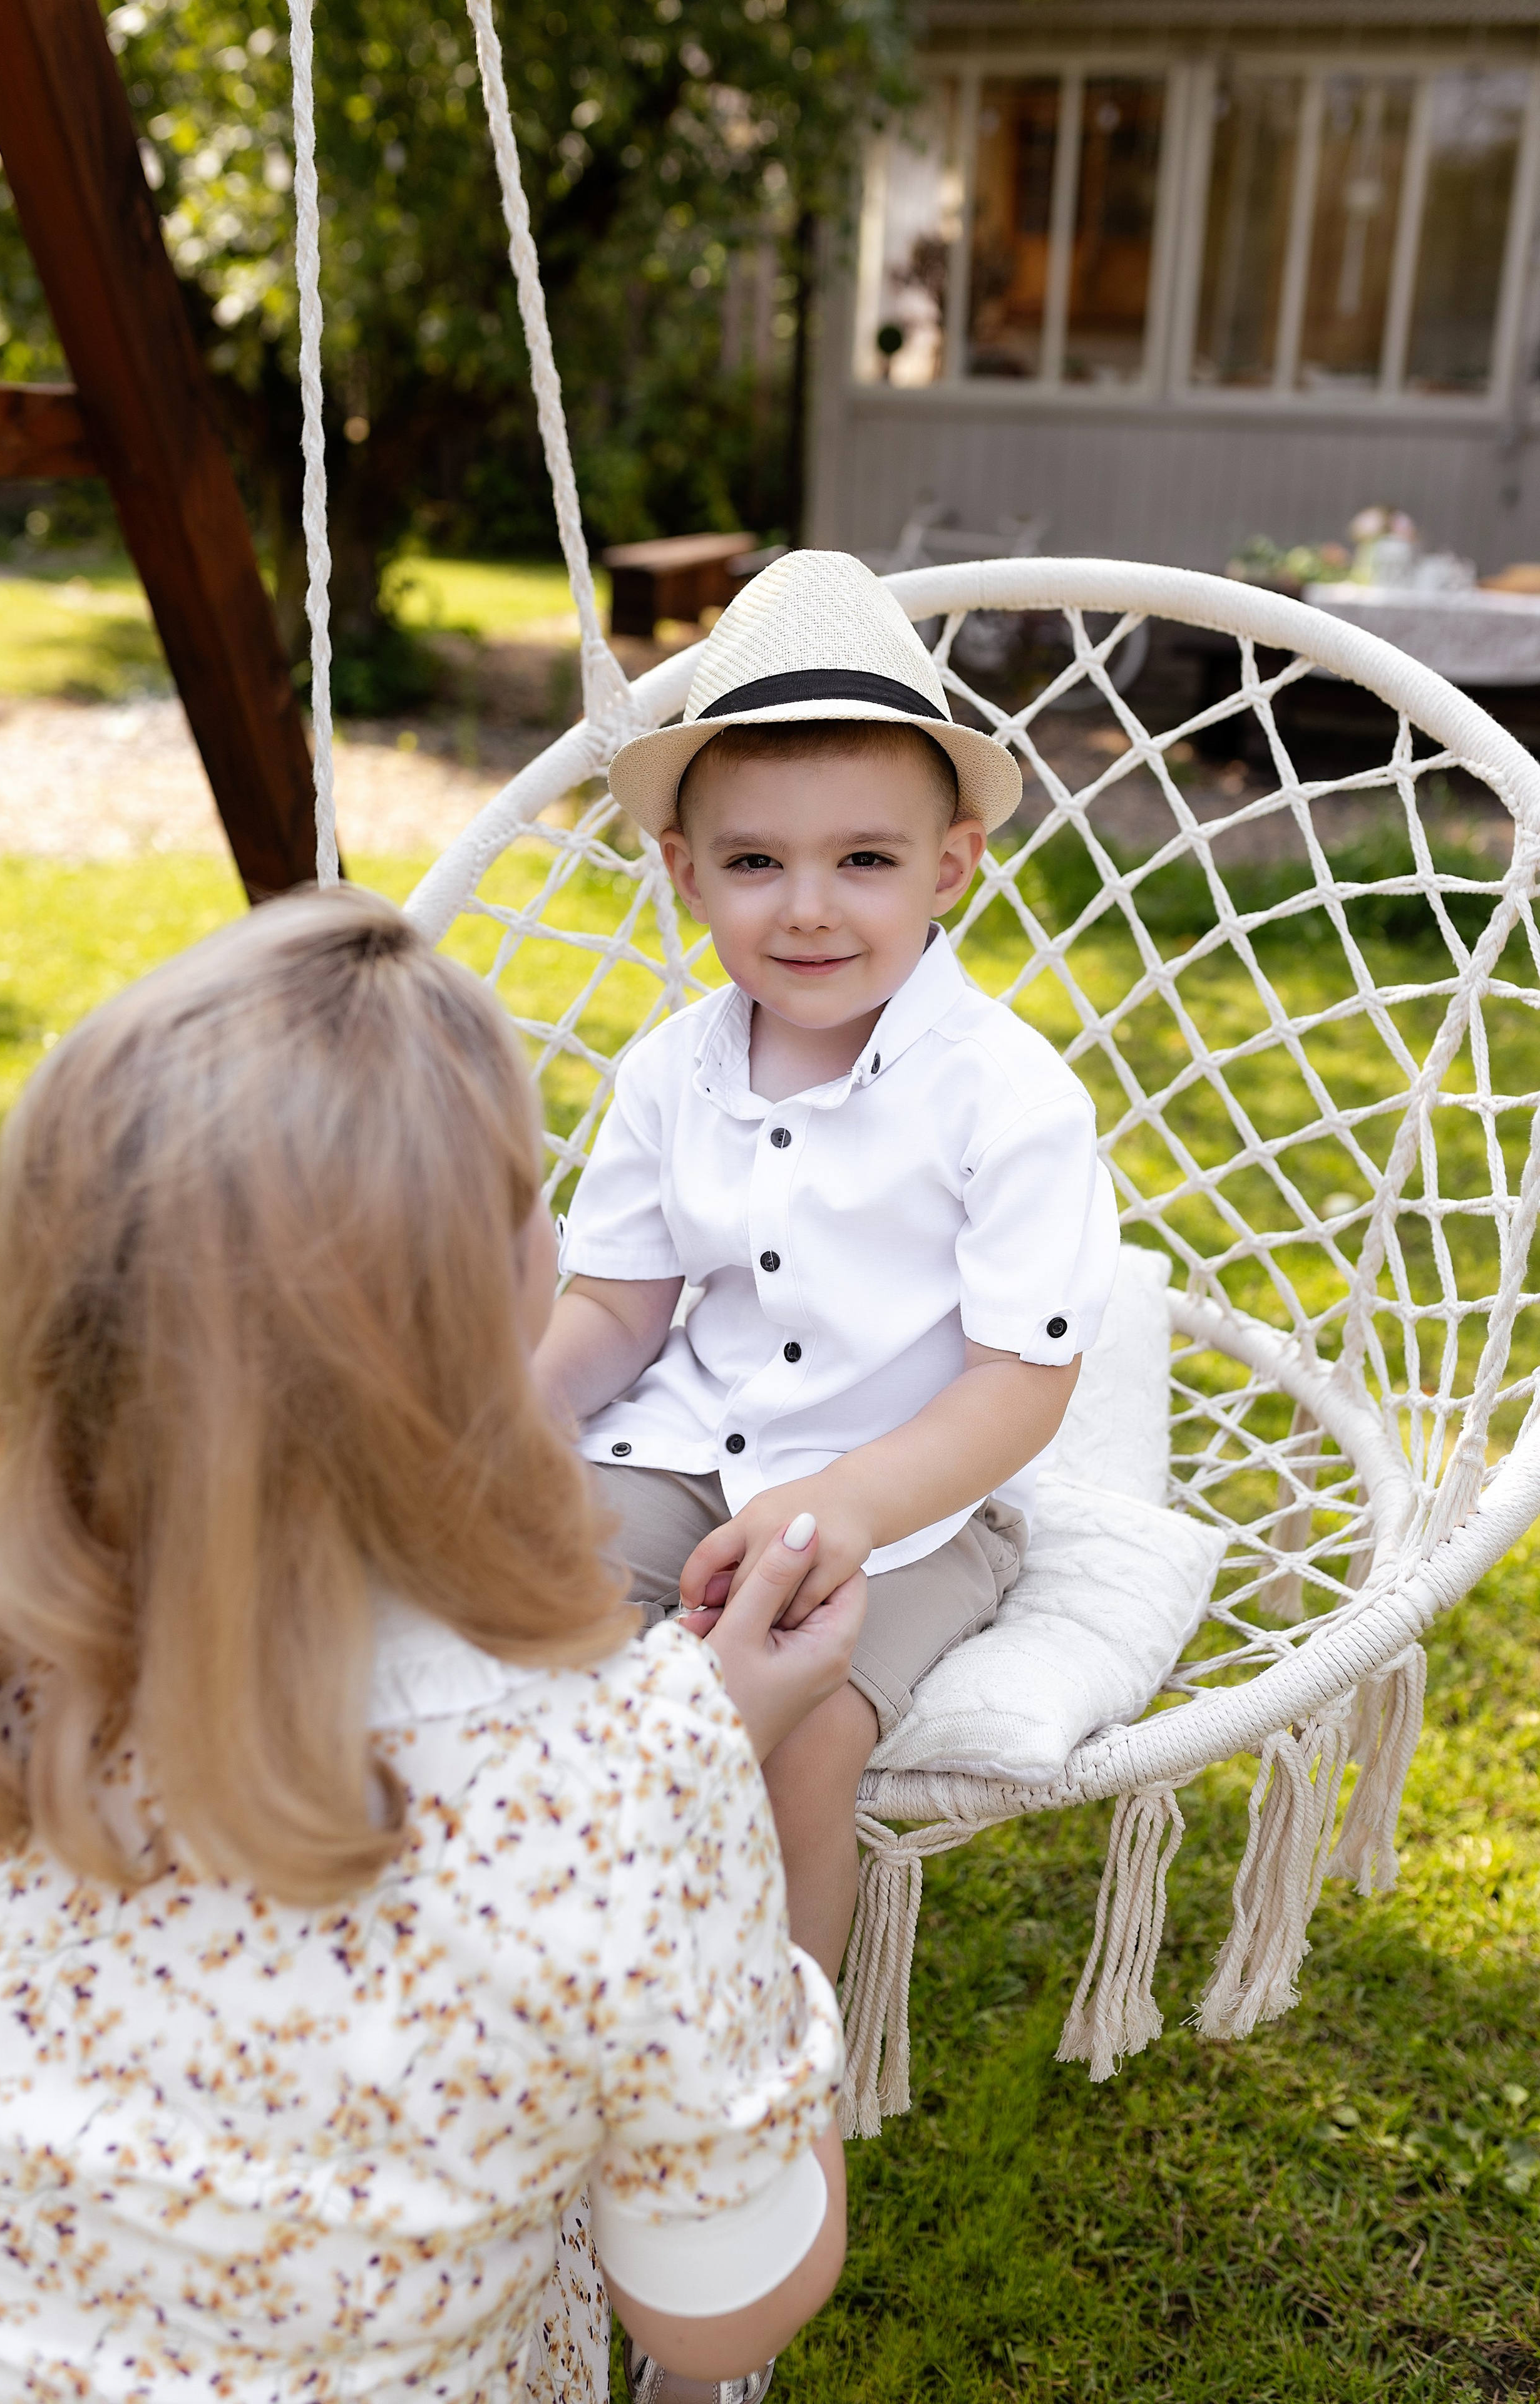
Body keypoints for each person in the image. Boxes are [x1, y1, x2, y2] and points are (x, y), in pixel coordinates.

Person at [0, 888, 861, 2404]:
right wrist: (740, 1941)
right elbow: (716, 2320)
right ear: (482, 1309)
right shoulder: (627, 1780)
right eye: (530, 1199)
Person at [536, 548, 1121, 1985]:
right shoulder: (668, 1070)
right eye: (754, 863)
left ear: (948, 866)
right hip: (683, 1448)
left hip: (906, 1504)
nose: (806, 907)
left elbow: (1017, 1383)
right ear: (684, 875)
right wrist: (517, 1413)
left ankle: (772, 2045)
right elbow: (618, 1304)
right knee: (529, 1628)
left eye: (862, 860)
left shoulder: (1006, 1097)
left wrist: (846, 1505)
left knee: (797, 1736)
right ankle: (564, 1982)